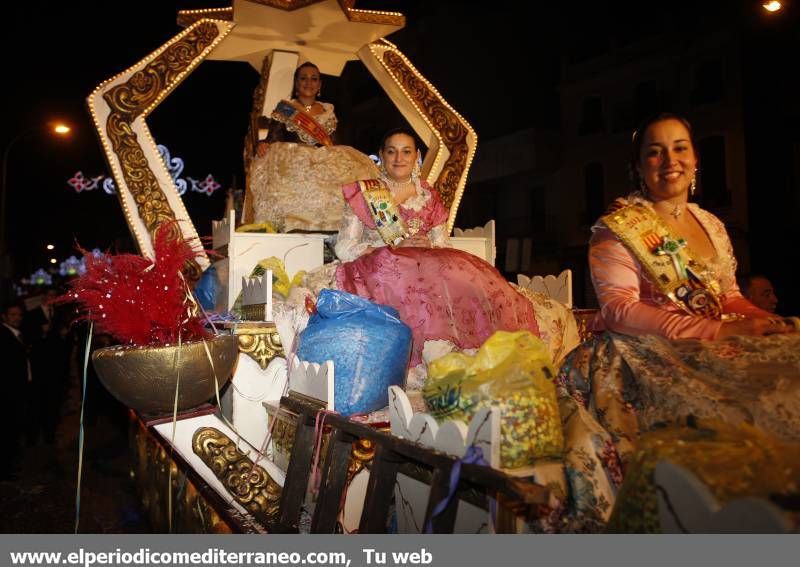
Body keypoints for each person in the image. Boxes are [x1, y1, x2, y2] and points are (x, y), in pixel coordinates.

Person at [332, 127, 542, 367]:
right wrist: (391, 247)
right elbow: (344, 246)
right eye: (392, 152)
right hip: (382, 267)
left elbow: (444, 244)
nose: (399, 159)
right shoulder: (364, 193)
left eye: (406, 152)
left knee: (466, 280)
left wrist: (430, 244)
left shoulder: (429, 197)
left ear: (416, 156)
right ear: (382, 156)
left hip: (426, 266)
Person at [243, 61, 378, 232]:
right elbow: (273, 138)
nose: (309, 82)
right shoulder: (286, 109)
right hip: (293, 163)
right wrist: (265, 145)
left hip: (322, 161)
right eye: (303, 78)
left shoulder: (328, 111)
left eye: (314, 79)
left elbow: (334, 145)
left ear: (319, 84)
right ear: (297, 83)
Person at [1, 303, 30, 477]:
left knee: (13, 430)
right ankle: (5, 469)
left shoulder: (17, 334)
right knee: (7, 431)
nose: (17, 318)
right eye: (12, 315)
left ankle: (9, 465)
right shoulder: (4, 335)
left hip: (15, 392)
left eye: (19, 314)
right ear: (4, 316)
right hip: (7, 394)